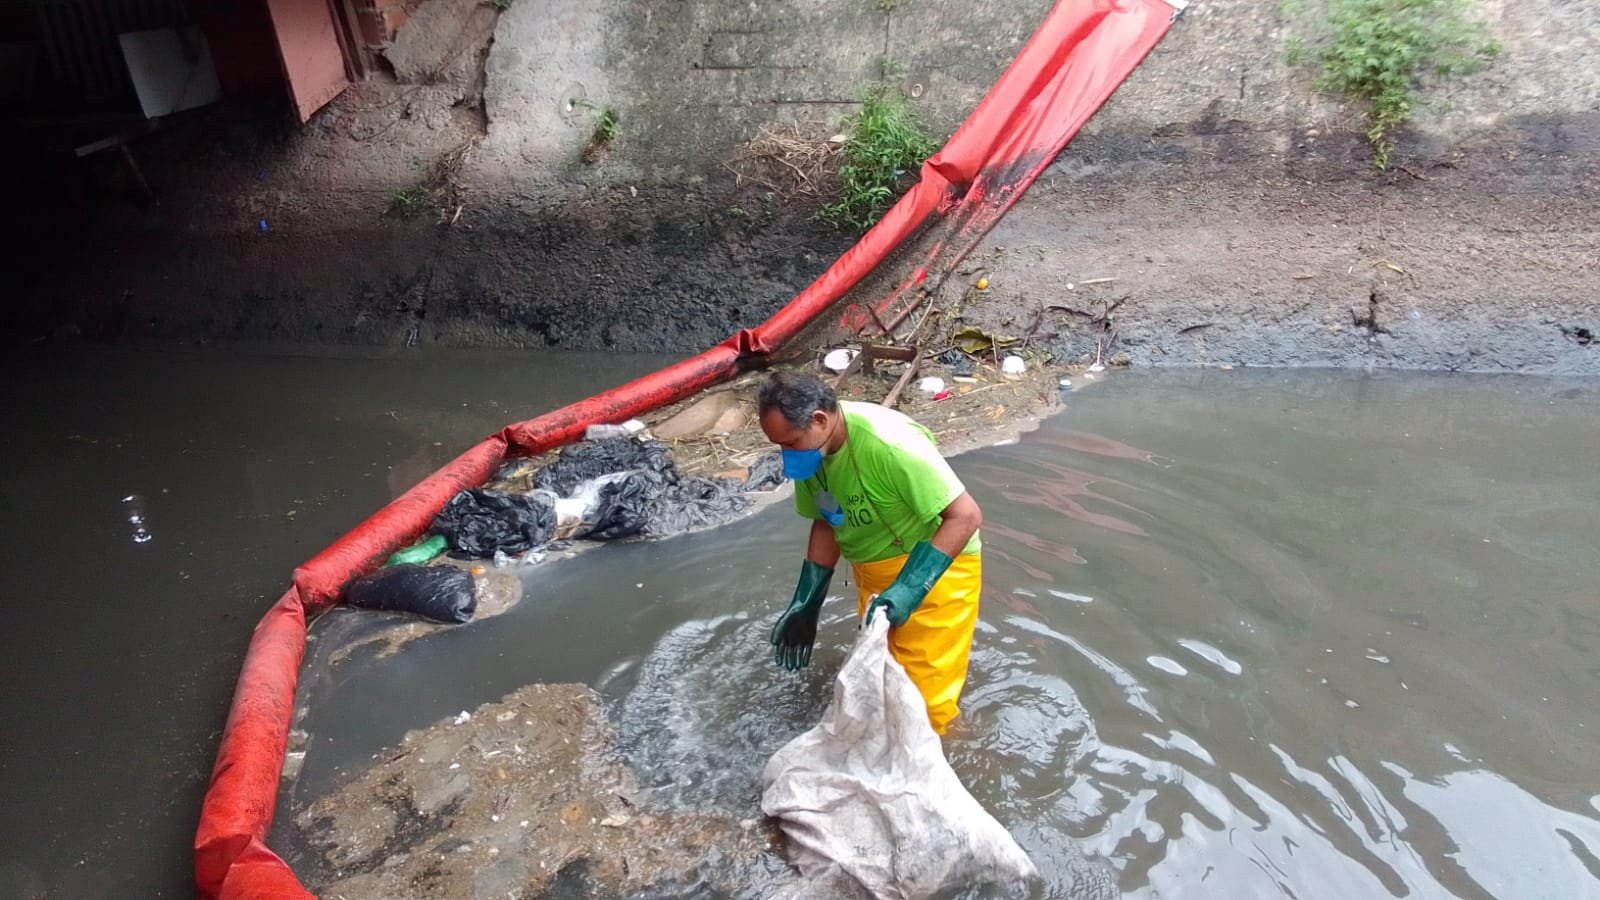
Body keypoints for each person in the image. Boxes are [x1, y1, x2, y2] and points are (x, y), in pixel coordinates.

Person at [758, 371, 983, 734]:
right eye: (779, 445)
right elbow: (826, 520)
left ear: (819, 420)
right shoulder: (814, 453)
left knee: (924, 706)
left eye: (791, 442)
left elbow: (966, 516)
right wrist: (808, 601)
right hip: (874, 574)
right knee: (881, 684)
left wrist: (909, 589)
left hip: (935, 572)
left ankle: (951, 752)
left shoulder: (891, 445)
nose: (787, 455)